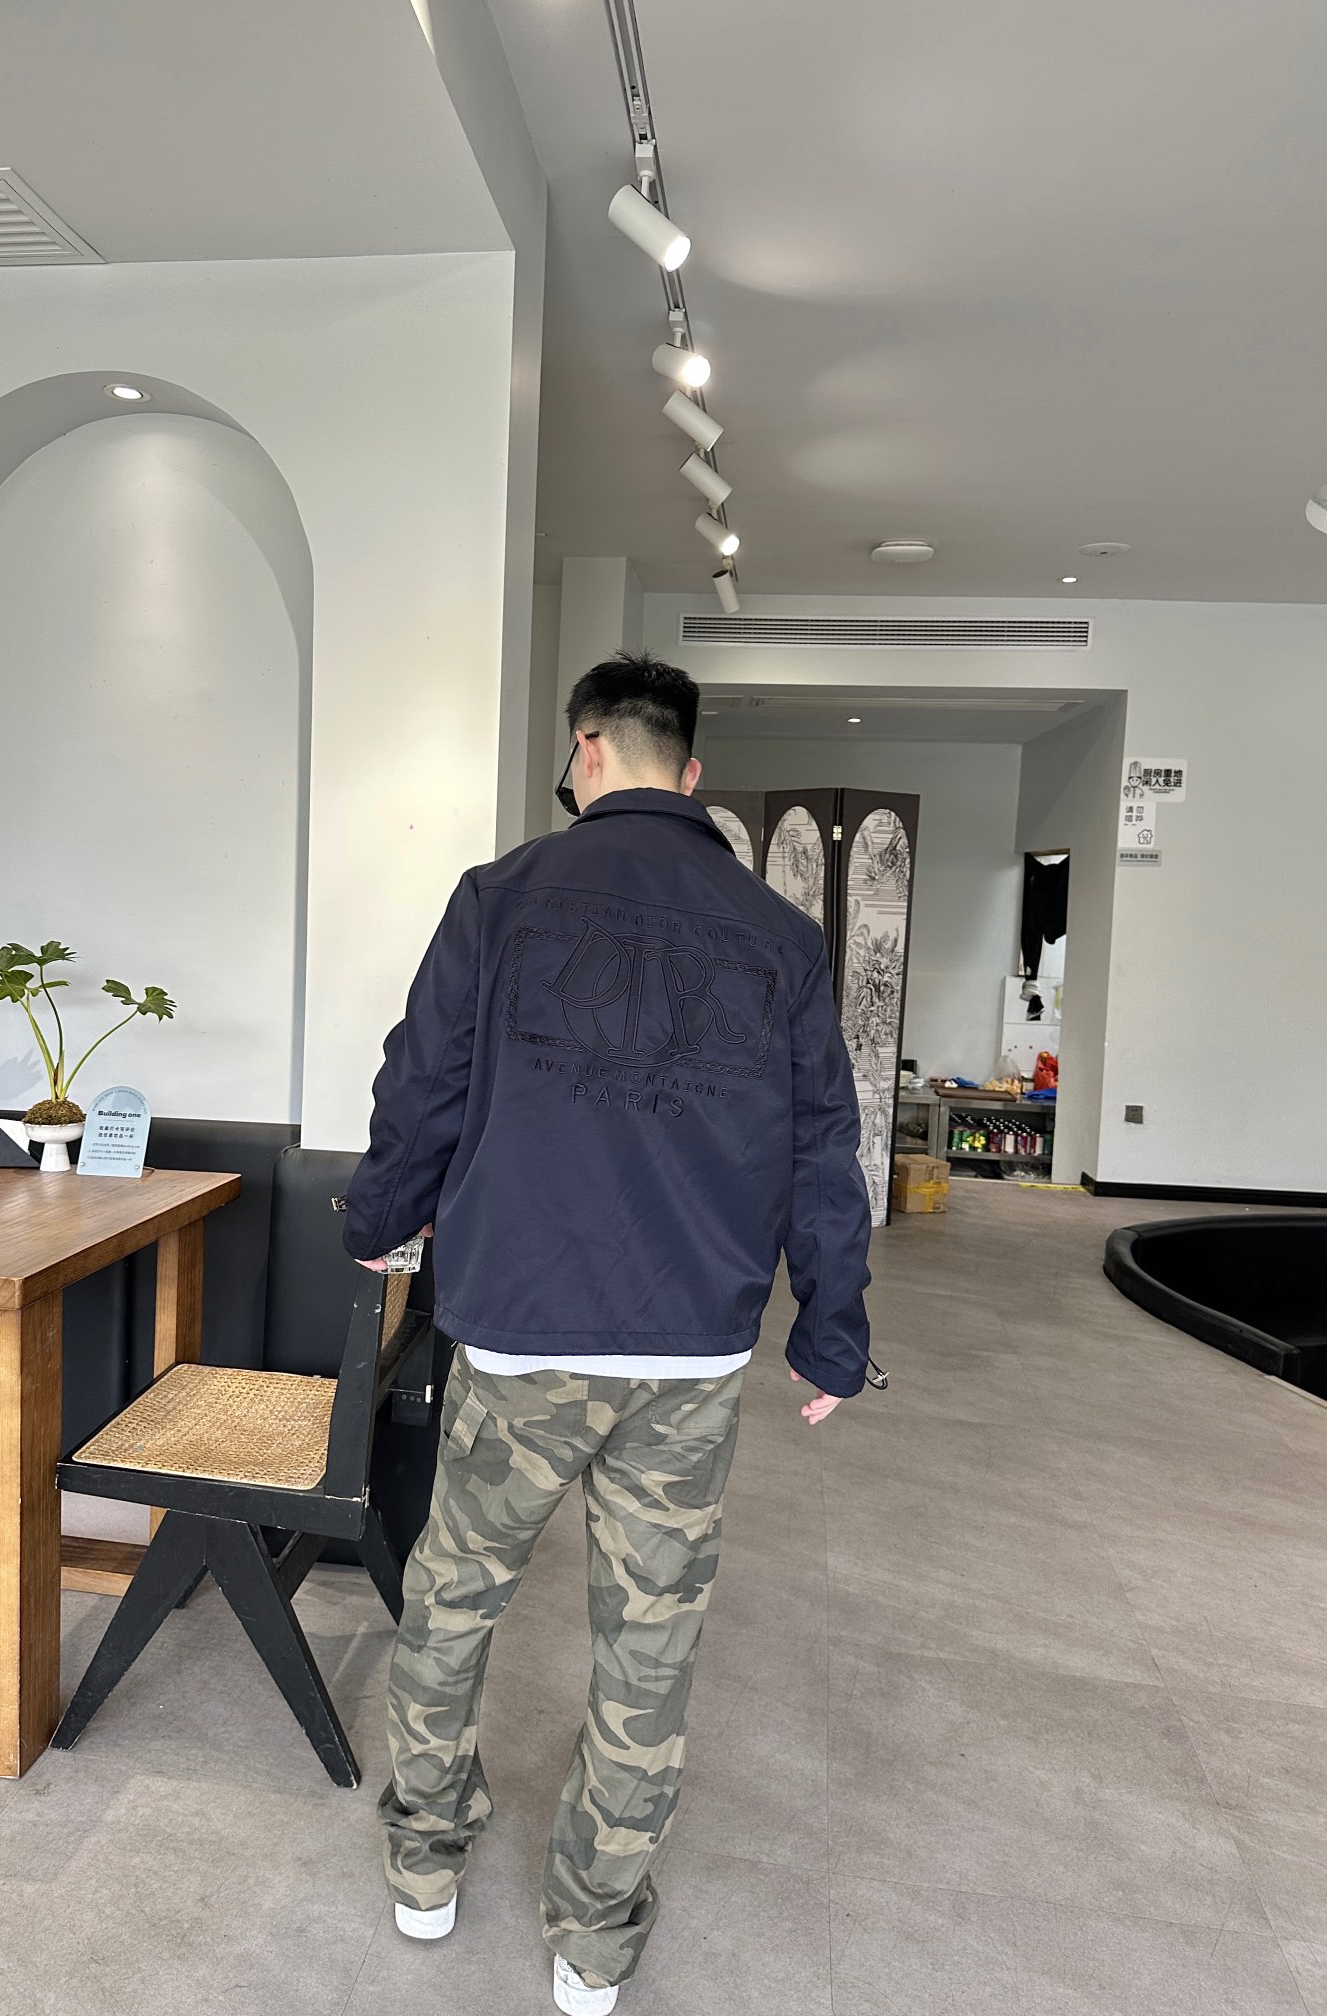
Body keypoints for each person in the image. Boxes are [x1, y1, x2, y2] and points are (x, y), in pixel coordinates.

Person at [342, 651, 871, 2014]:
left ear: (586, 753)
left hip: (521, 1337)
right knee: (649, 1649)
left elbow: (422, 1083)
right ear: (691, 774)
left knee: (452, 1604)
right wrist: (831, 1331)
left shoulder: (500, 897)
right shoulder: (779, 937)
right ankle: (593, 1944)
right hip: (689, 1354)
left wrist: (376, 1220)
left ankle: (423, 1869)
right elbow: (825, 1144)